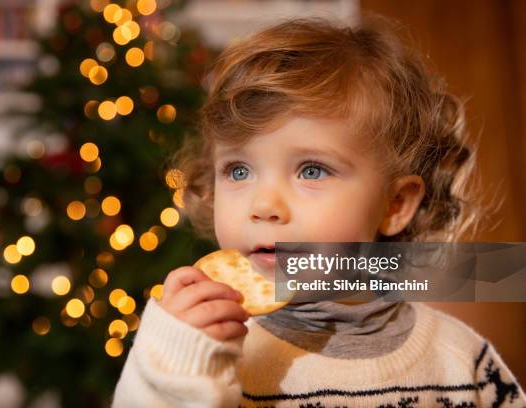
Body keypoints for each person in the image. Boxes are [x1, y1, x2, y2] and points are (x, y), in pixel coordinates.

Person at [111, 15, 526, 407]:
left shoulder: (463, 362)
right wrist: (170, 365)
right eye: (238, 170)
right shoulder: (208, 360)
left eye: (311, 170)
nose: (263, 206)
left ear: (395, 205)